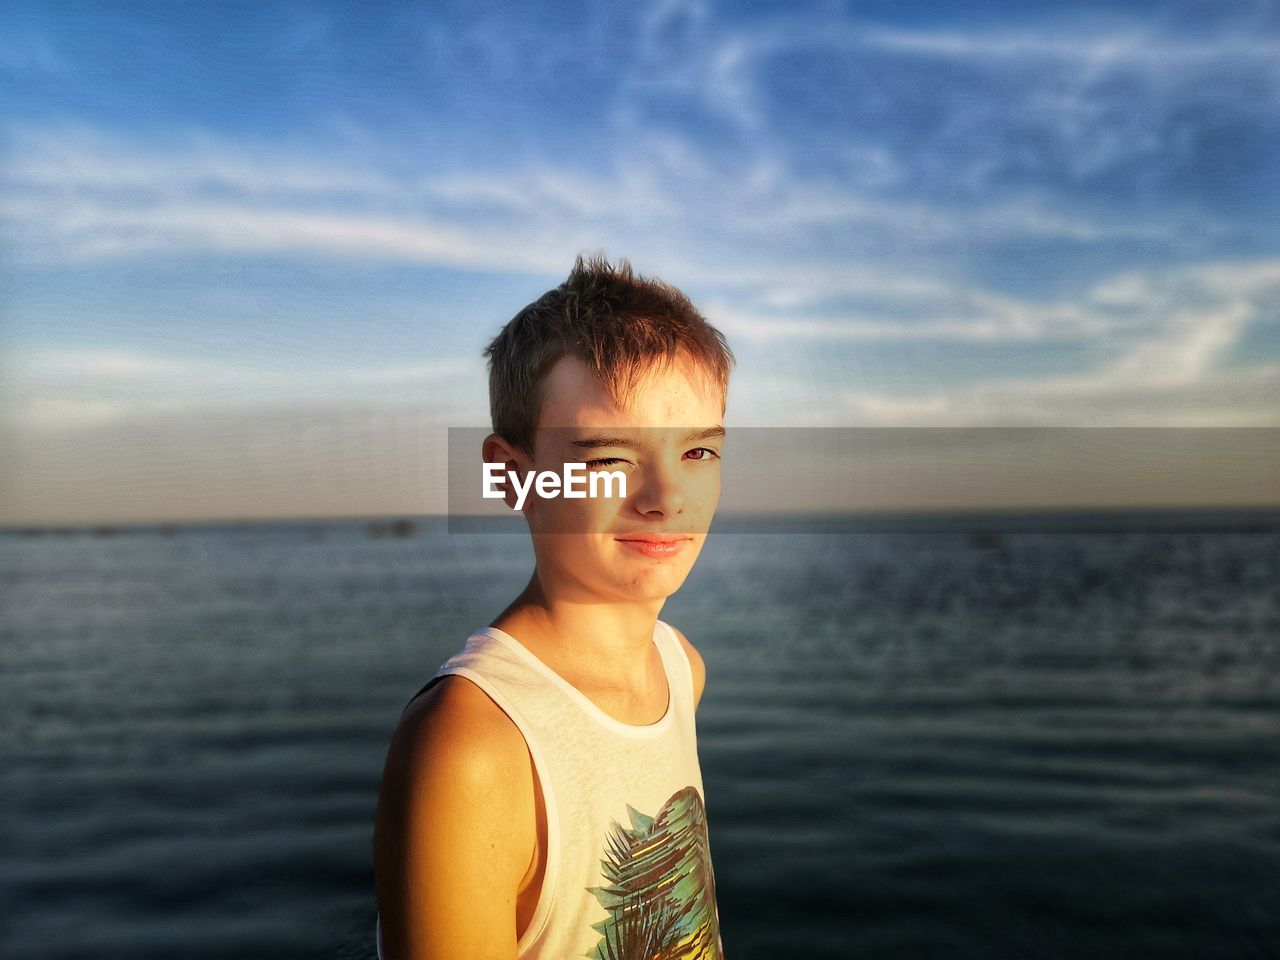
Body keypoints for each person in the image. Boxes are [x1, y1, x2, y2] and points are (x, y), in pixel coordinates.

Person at [373, 254, 735, 958]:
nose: (665, 498)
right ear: (513, 474)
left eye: (697, 452)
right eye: (608, 458)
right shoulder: (474, 749)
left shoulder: (679, 668)